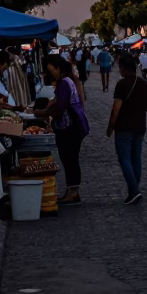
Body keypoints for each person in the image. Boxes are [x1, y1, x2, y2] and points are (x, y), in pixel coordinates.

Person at [34, 54, 88, 205]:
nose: (50, 74)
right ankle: (72, 190)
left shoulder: (64, 83)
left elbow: (59, 109)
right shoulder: (66, 81)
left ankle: (73, 192)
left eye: (51, 70)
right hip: (70, 126)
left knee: (70, 158)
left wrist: (40, 113)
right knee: (69, 159)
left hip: (69, 127)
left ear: (58, 68)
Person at [107, 52, 147, 204]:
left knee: (124, 158)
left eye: (120, 67)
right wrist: (140, 109)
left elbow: (116, 107)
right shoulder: (143, 83)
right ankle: (134, 189)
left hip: (124, 127)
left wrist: (110, 125)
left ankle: (134, 191)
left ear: (124, 68)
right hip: (140, 125)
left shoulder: (122, 84)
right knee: (136, 158)